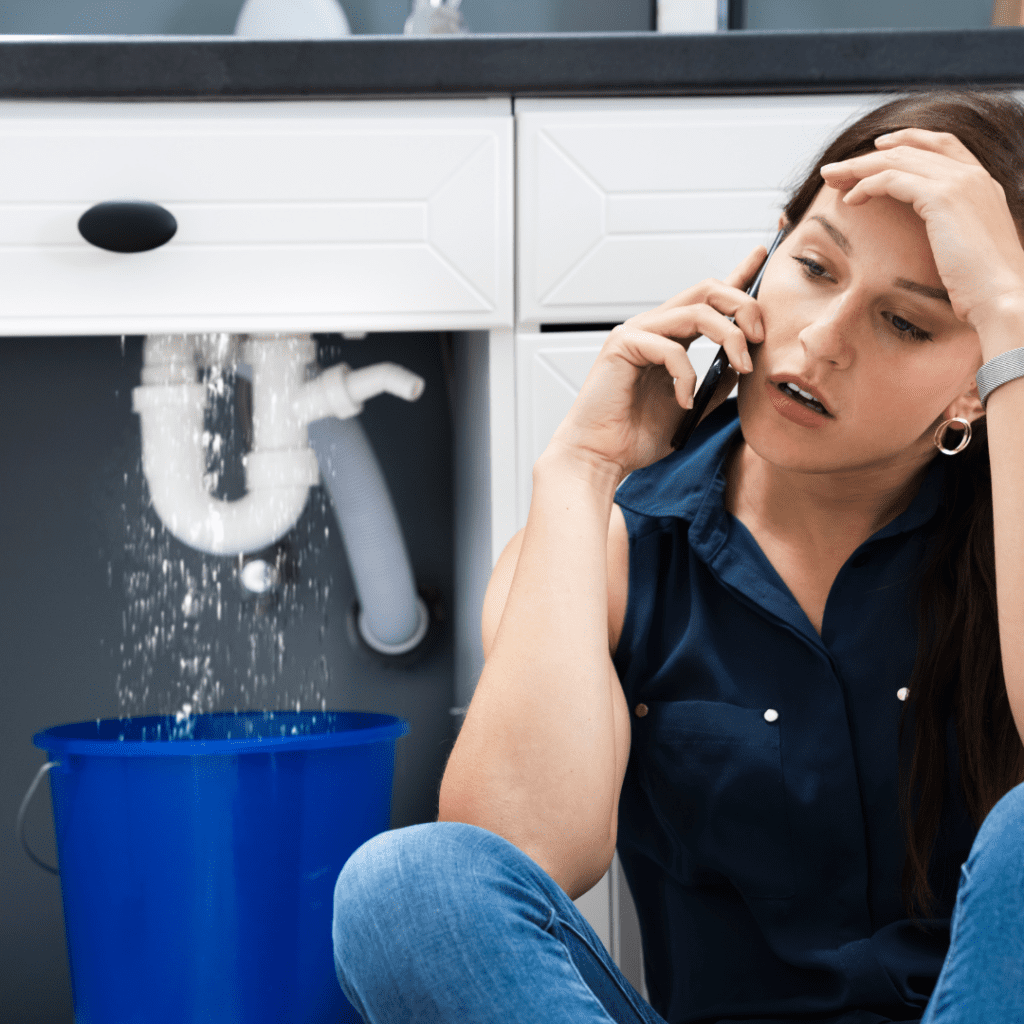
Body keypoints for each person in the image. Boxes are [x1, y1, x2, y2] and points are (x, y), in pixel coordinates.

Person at [330, 90, 1024, 1023]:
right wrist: (580, 470)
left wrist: (1012, 320)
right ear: (768, 256)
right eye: (814, 267)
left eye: (908, 323)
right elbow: (514, 856)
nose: (822, 340)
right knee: (407, 885)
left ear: (976, 386)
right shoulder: (611, 546)